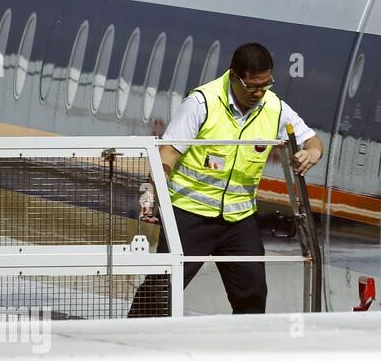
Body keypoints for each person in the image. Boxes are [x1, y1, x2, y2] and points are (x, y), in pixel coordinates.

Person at [128, 43, 324, 316]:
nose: (259, 93)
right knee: (162, 289)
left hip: (238, 219)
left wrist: (312, 153)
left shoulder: (274, 107)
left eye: (265, 85)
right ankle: (133, 339)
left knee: (252, 294)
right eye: (252, 86)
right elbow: (167, 154)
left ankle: (243, 352)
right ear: (234, 76)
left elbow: (312, 140)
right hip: (190, 214)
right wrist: (150, 195)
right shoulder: (202, 103)